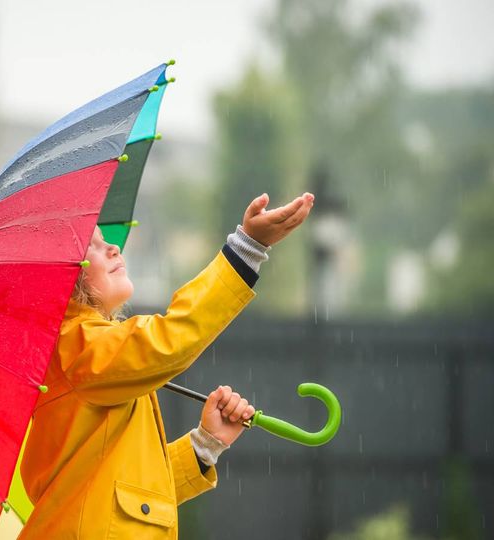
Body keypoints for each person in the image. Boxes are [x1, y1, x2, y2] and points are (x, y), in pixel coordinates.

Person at [19, 192, 315, 538]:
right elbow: (170, 340)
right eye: (91, 247)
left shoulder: (92, 354)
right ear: (61, 277)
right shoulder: (78, 346)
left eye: (106, 241)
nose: (113, 248)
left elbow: (129, 496)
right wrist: (246, 249)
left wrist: (205, 446)